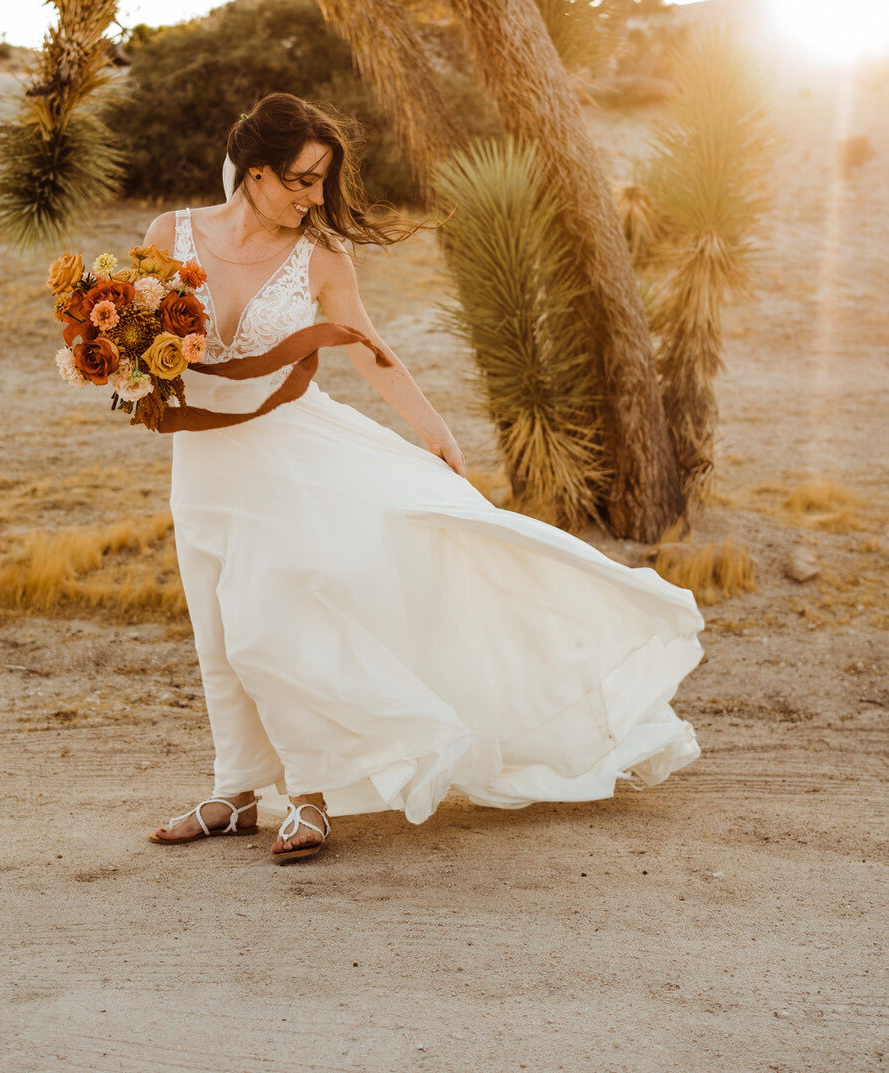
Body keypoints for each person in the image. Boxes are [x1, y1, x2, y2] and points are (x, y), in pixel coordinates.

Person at [142, 93, 704, 863]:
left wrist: (433, 429)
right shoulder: (170, 234)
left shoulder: (320, 255)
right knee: (214, 625)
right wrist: (116, 365)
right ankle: (233, 793)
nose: (312, 198)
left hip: (294, 452)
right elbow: (142, 331)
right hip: (202, 458)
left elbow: (366, 347)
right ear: (256, 170)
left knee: (269, 625)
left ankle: (308, 795)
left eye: (321, 183)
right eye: (301, 181)